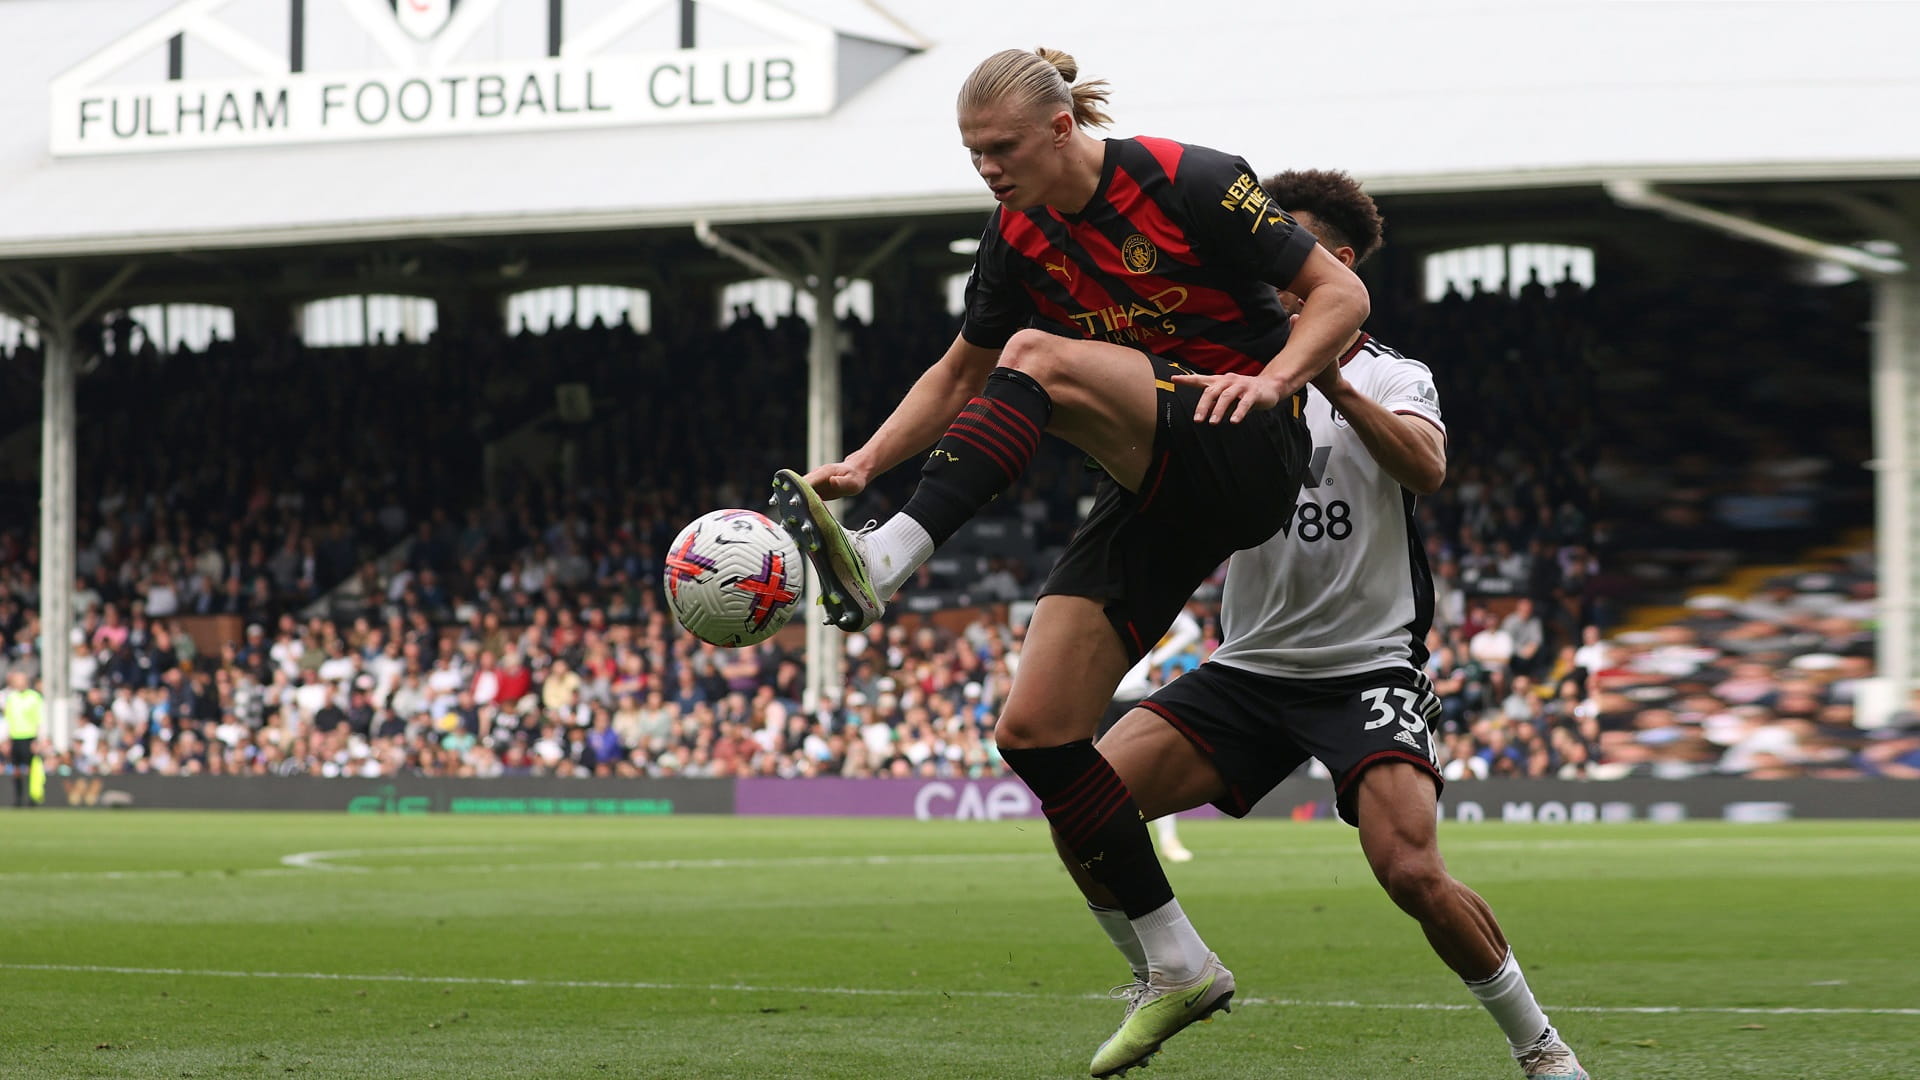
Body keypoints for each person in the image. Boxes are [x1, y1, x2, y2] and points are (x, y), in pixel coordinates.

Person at [769, 47, 1370, 1076]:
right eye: (971, 153)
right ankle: (1178, 964)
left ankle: (886, 563)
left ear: (1059, 129)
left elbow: (1338, 297)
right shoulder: (1014, 233)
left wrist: (1275, 382)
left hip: (1245, 444)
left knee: (1037, 356)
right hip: (1153, 483)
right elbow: (961, 367)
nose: (987, 169)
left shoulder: (1188, 178)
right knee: (1039, 733)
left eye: (1001, 148)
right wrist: (867, 460)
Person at [1054, 169, 1590, 1079]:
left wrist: (1332, 383)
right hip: (1250, 667)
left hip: (1366, 669)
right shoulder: (1223, 367)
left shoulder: (1395, 373)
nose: (1264, 266)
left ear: (1335, 264)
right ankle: (1167, 973)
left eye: (1287, 247)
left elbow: (1426, 469)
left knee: (1411, 872)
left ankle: (1542, 1050)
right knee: (1082, 806)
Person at [1107, 604, 1203, 863]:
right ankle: (1109, 841)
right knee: (1104, 777)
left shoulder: (1140, 602)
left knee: (1151, 770)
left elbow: (1190, 629)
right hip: (1103, 699)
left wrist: (1155, 658)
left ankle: (1168, 840)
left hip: (1131, 697)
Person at [5, 669, 43, 808]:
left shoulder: (34, 697)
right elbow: (9, 719)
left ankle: (31, 797)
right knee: (16, 770)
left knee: (30, 769)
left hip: (29, 737)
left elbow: (39, 719)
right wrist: (8, 740)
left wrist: (36, 740)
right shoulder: (11, 698)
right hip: (15, 737)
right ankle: (18, 798)